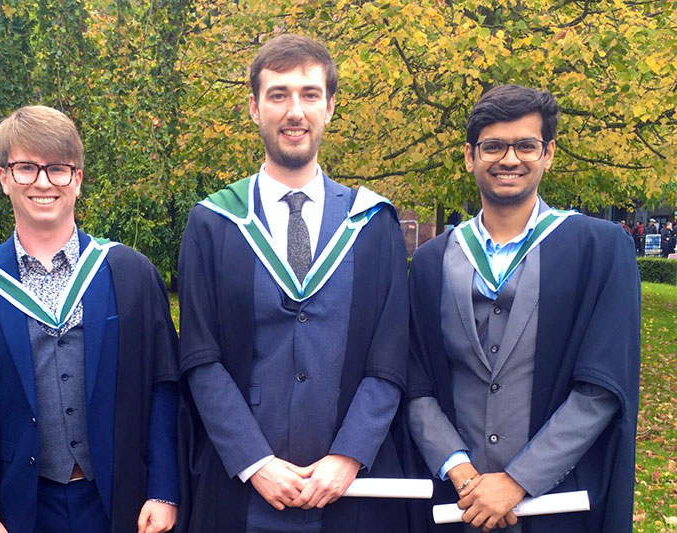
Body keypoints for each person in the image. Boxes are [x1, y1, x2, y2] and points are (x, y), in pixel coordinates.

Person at [176, 34, 410, 533]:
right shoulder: (214, 223)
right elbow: (200, 356)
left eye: (308, 94)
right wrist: (255, 461)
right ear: (254, 109)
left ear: (330, 107)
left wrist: (348, 455)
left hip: (351, 491)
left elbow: (389, 356)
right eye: (278, 94)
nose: (294, 111)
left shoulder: (372, 224)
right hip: (242, 490)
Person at [0, 106, 180, 533]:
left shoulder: (128, 273)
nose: (42, 182)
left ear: (76, 178)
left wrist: (164, 490)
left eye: (57, 168)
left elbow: (164, 386)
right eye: (25, 168)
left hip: (119, 499)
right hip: (14, 505)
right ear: (4, 177)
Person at [405, 85, 640, 532]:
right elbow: (414, 381)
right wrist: (460, 470)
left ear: (548, 153)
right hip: (456, 505)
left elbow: (603, 386)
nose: (509, 159)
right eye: (493, 146)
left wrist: (517, 480)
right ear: (471, 156)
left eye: (526, 146)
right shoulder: (434, 260)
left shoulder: (599, 249)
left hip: (559, 503)